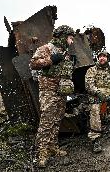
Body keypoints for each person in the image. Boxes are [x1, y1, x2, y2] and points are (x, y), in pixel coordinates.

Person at [29, 25, 75, 167]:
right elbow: (33, 64)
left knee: (57, 119)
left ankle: (52, 147)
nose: (71, 41)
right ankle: (41, 152)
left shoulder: (65, 52)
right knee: (47, 120)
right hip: (48, 90)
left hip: (61, 91)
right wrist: (51, 60)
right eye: (70, 38)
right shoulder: (46, 48)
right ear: (62, 37)